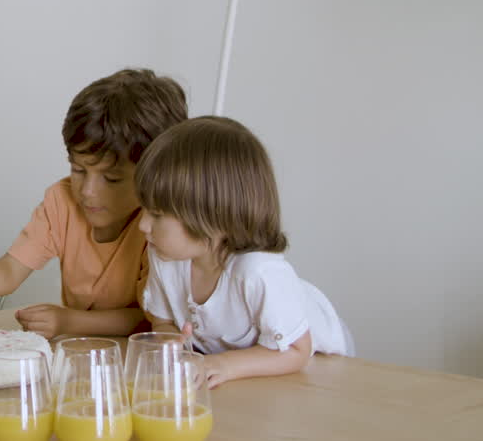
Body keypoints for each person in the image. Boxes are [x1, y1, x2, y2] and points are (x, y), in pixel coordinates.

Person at [0, 69, 189, 338]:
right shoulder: (61, 202)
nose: (88, 191)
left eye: (112, 179)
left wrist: (68, 322)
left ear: (154, 175)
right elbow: (9, 271)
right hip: (78, 354)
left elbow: (151, 320)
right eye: (78, 170)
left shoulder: (158, 225)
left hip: (138, 359)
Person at [136, 116, 354, 389]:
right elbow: (162, 319)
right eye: (144, 208)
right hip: (240, 369)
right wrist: (172, 346)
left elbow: (296, 351)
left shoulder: (258, 273)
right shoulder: (166, 257)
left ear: (214, 219)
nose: (143, 224)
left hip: (317, 364)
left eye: (157, 215)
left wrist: (223, 365)